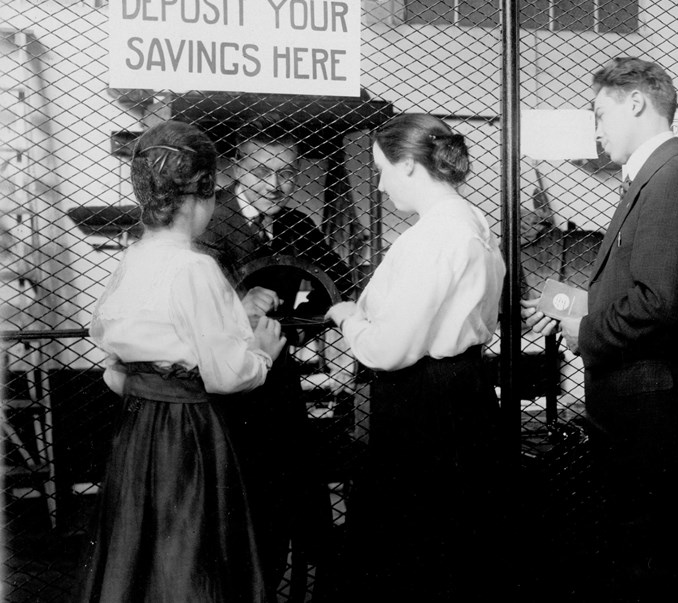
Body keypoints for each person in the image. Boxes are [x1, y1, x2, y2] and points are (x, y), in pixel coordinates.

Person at [525, 57, 678, 599]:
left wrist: (585, 330)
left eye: (601, 112)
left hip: (649, 410)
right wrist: (580, 303)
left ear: (636, 102)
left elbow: (658, 305)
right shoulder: (655, 179)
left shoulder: (670, 183)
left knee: (646, 557)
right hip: (639, 404)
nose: (597, 128)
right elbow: (646, 290)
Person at [79, 121, 284, 603]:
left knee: (140, 550)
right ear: (204, 195)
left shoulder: (131, 260)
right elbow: (227, 374)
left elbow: (112, 366)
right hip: (190, 435)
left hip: (137, 431)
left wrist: (151, 386)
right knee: (192, 551)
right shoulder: (196, 268)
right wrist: (262, 355)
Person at [325, 114, 506, 602]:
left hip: (422, 405)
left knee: (408, 548)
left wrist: (347, 319)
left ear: (409, 166)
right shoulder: (472, 223)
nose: (380, 185)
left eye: (383, 170)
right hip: (464, 392)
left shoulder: (433, 237)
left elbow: (389, 349)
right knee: (458, 541)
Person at [196, 135, 344, 591]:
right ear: (236, 168)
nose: (277, 184)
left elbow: (334, 280)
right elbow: (183, 307)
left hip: (278, 380)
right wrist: (236, 301)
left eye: (287, 173)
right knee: (232, 511)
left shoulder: (298, 223)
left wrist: (313, 312)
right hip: (216, 388)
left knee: (287, 499)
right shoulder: (204, 223)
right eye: (263, 172)